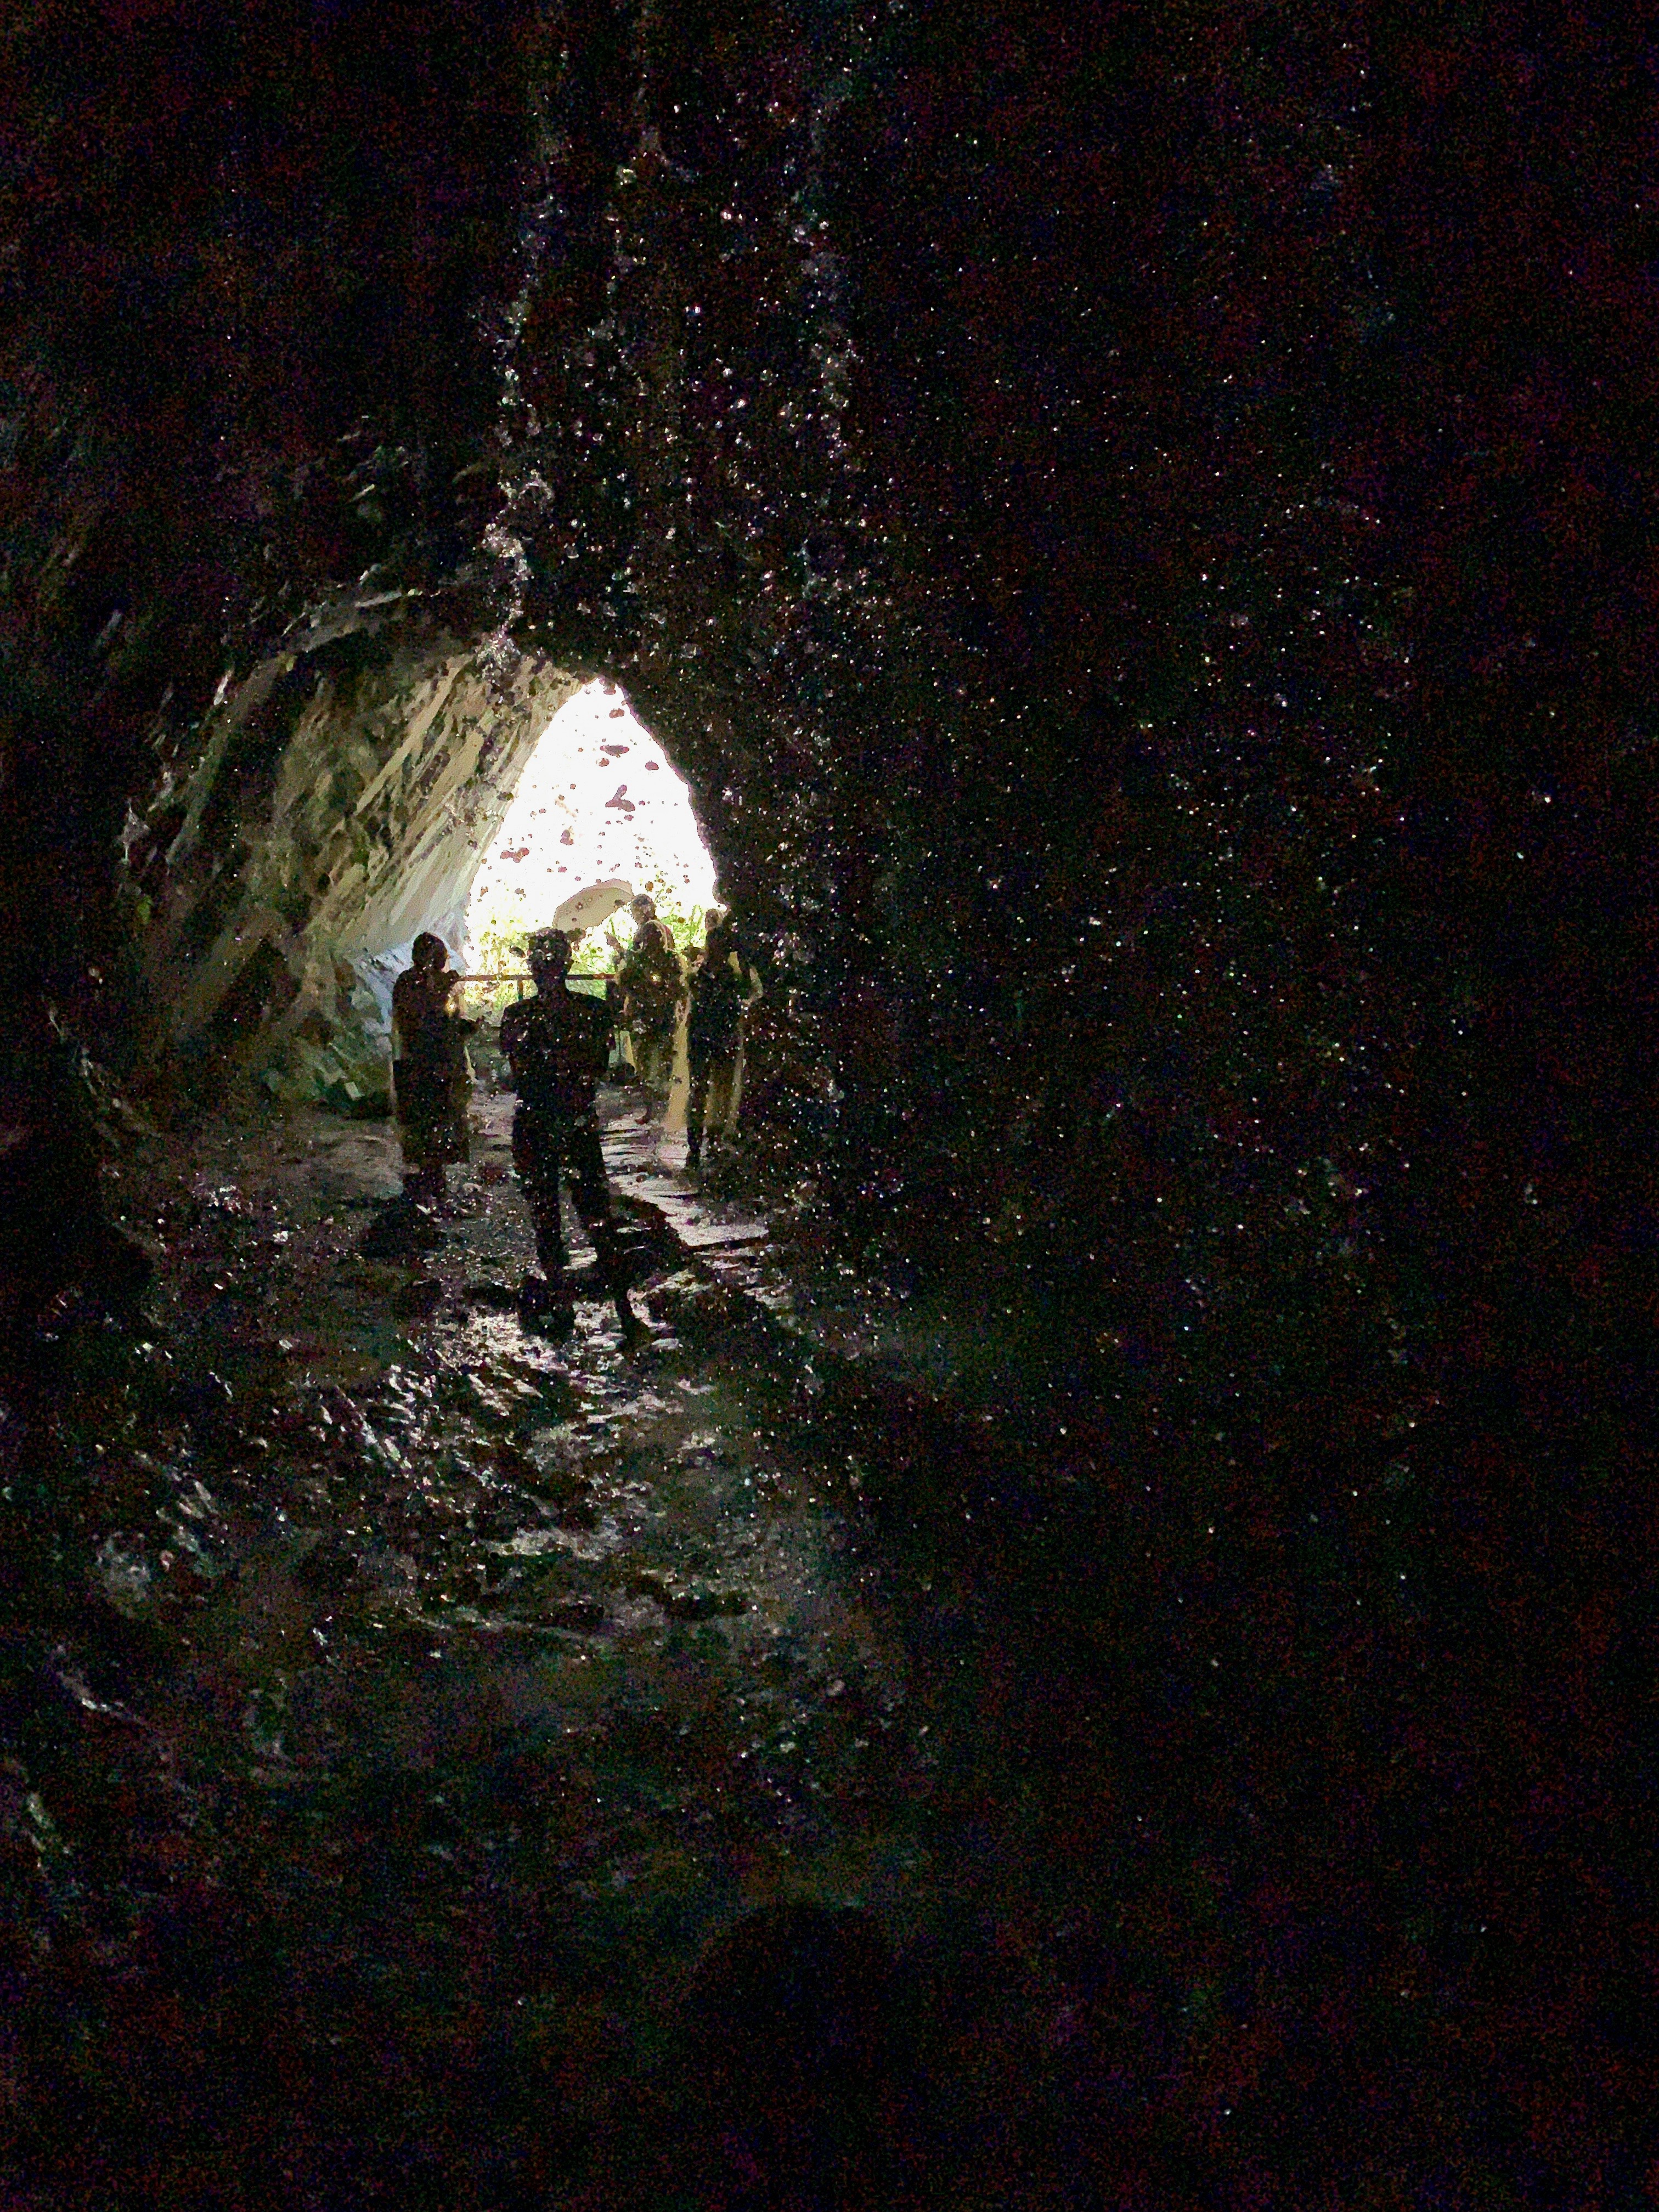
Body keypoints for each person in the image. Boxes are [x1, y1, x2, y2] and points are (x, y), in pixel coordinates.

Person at [497, 928, 645, 1341]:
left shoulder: (517, 1016)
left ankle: (562, 1305)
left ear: (532, 967)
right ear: (569, 965)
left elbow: (519, 1074)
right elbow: (596, 1069)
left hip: (536, 1123)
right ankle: (625, 1313)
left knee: (547, 1217)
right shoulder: (592, 1012)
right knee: (597, 1218)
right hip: (577, 1123)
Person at [391, 932, 475, 1207]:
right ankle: (427, 1188)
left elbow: (447, 1020)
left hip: (434, 1064)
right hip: (425, 1065)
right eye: (440, 957)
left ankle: (433, 1185)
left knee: (437, 1126)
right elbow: (421, 1021)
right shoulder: (412, 983)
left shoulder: (422, 983)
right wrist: (442, 992)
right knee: (428, 1125)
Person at [685, 909, 762, 1172]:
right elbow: (751, 994)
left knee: (703, 1087)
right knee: (718, 1088)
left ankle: (698, 1143)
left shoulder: (701, 974)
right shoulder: (732, 976)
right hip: (721, 1033)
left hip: (706, 1034)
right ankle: (708, 1140)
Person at [617, 893, 682, 1124]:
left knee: (650, 1058)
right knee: (657, 1058)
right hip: (657, 1010)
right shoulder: (666, 952)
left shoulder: (650, 952)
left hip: (651, 1010)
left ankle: (654, 1107)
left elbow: (632, 977)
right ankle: (656, 1106)